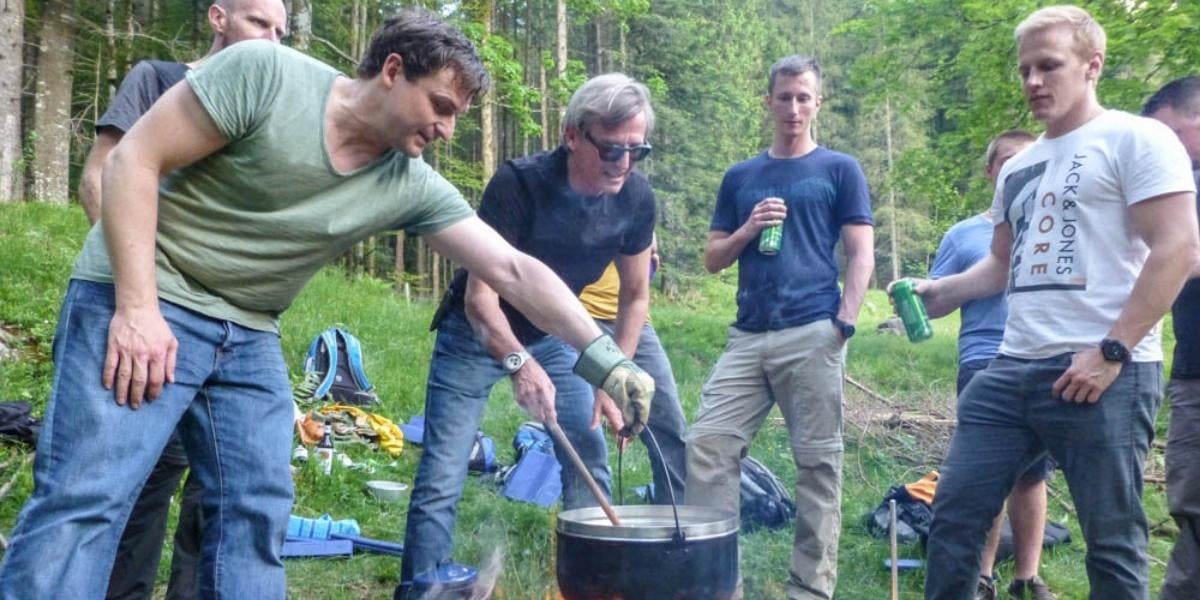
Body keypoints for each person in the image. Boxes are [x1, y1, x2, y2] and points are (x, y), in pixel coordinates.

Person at [0, 10, 652, 599]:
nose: (447, 129)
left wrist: (607, 361)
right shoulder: (265, 75)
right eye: (440, 105)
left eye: (457, 116)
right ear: (392, 71)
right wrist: (138, 309)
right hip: (146, 294)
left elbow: (512, 269)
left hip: (248, 328)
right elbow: (132, 161)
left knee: (256, 508)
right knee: (88, 498)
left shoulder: (406, 183)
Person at [911, 6, 1199, 599]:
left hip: (1103, 372)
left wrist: (1112, 351)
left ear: (1093, 65)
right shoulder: (1018, 166)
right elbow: (1000, 265)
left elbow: (1179, 247)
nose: (1033, 81)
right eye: (1025, 70)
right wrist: (942, 292)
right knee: (954, 517)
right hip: (1010, 368)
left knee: (1112, 542)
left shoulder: (1137, 138)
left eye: (1049, 66)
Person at [398, 73, 659, 597]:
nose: (624, 163)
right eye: (612, 149)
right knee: (444, 472)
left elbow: (634, 297)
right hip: (475, 333)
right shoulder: (520, 183)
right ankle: (421, 589)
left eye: (638, 150)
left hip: (554, 333)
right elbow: (481, 298)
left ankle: (591, 587)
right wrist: (519, 364)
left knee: (587, 454)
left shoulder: (635, 198)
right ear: (572, 135)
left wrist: (615, 374)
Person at [75, 1, 288, 597]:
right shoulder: (158, 79)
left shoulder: (271, 105)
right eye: (258, 23)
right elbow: (99, 177)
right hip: (152, 314)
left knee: (220, 495)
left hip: (235, 325)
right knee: (141, 479)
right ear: (219, 18)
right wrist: (137, 291)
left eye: (280, 31)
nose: (271, 40)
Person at [685, 54, 875, 599]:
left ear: (818, 103)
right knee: (708, 447)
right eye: (784, 97)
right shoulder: (741, 176)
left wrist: (845, 322)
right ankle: (718, 586)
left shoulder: (839, 168)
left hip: (813, 330)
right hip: (748, 335)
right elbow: (713, 259)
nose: (793, 107)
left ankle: (808, 590)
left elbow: (861, 252)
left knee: (816, 464)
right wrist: (748, 228)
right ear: (768, 101)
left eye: (803, 97)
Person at [927, 129, 1056, 600]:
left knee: (1033, 474)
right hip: (983, 357)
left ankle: (1027, 575)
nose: (1016, 167)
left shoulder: (1054, 224)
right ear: (990, 171)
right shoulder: (963, 234)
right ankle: (982, 574)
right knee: (987, 474)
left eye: (1026, 159)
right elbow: (936, 299)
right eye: (1006, 160)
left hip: (1041, 355)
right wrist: (916, 297)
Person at [1142, 75, 1200, 600]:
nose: (1166, 150)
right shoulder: (1177, 188)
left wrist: (1177, 254)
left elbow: (1181, 255)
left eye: (1173, 134)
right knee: (1193, 505)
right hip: (1194, 374)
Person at [579, 236, 688, 501]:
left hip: (633, 320)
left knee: (670, 424)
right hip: (578, 316)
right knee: (584, 428)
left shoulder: (637, 208)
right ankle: (588, 520)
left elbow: (646, 250)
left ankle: (678, 518)